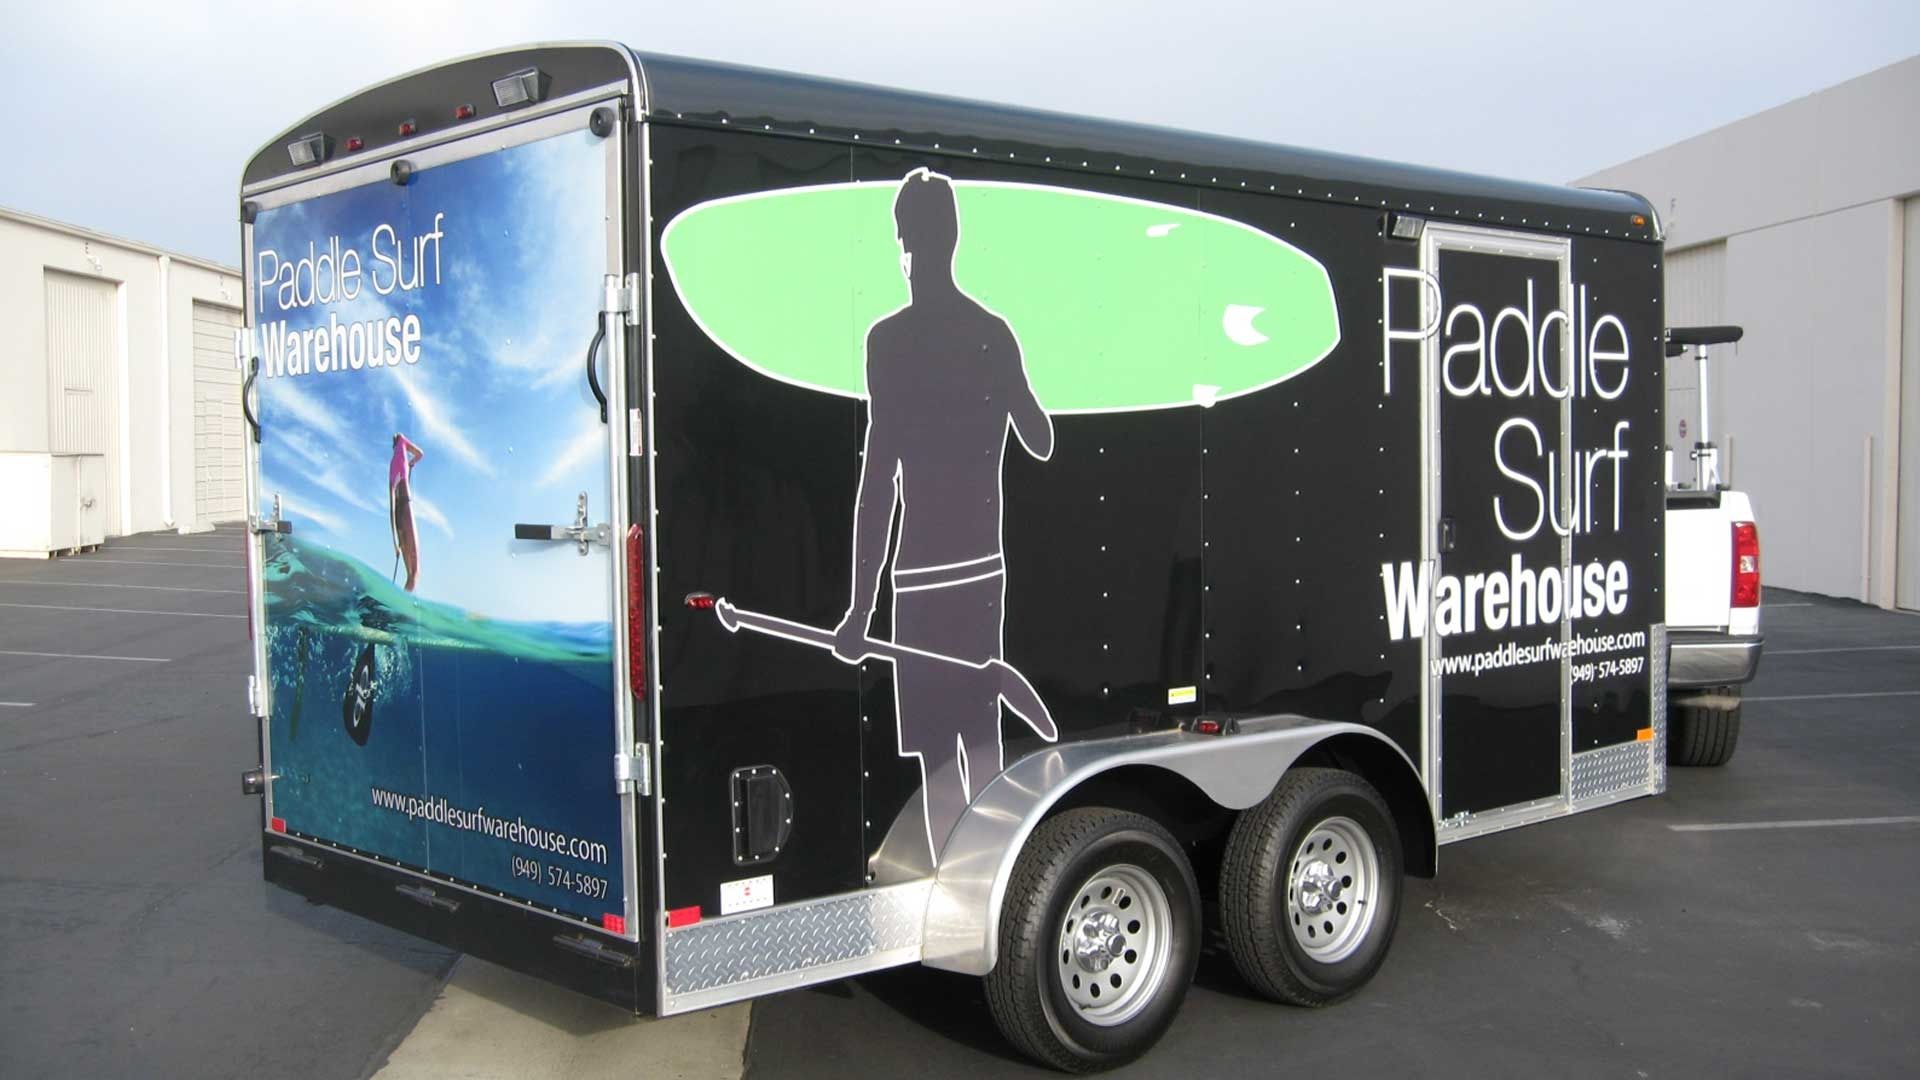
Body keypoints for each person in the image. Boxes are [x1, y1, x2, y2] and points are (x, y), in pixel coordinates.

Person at [831, 169, 1055, 864]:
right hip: (976, 574)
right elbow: (1041, 439)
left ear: (914, 241)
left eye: (907, 240)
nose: (909, 255)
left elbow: (879, 484)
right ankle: (991, 880)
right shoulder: (991, 334)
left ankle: (960, 887)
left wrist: (859, 614)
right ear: (952, 237)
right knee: (979, 743)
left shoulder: (888, 342)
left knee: (941, 759)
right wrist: (1013, 386)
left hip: (923, 580)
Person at [389, 433, 424, 592]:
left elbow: (391, 506)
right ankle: (399, 614)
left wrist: (395, 542)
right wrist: (411, 463)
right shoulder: (402, 439)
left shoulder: (391, 466)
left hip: (397, 517)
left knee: (409, 574)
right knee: (415, 573)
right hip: (406, 508)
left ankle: (397, 610)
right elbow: (420, 454)